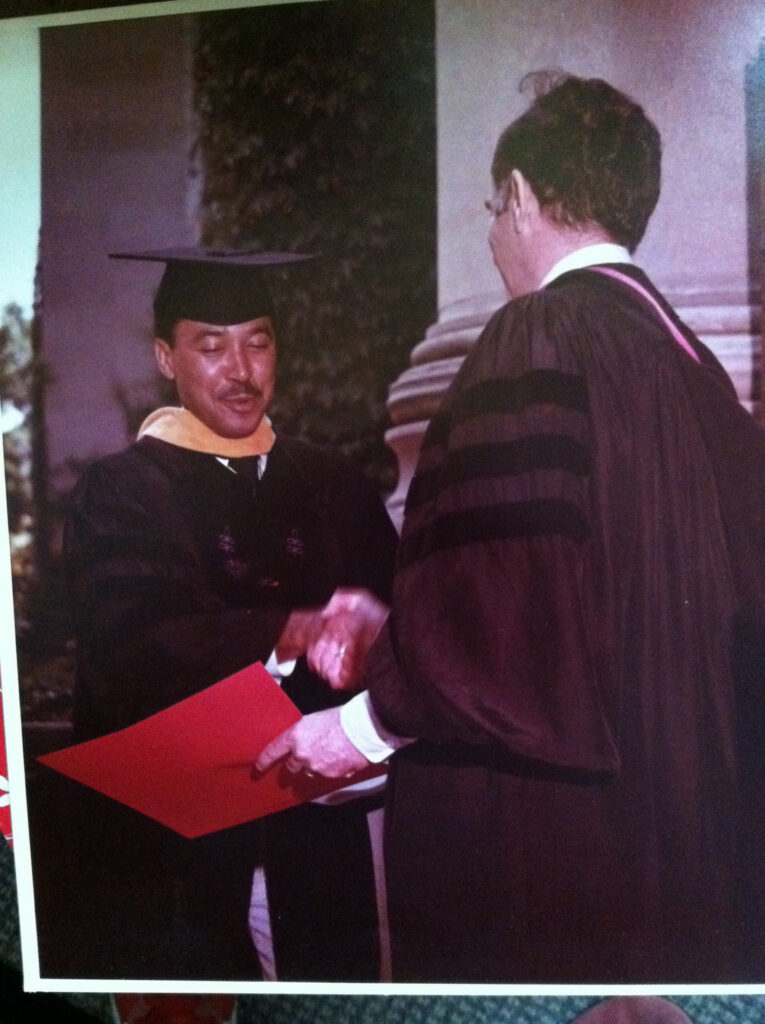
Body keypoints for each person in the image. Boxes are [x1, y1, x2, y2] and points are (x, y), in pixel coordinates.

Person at [257, 73, 765, 982]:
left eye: (496, 207)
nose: (494, 234)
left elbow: (506, 608)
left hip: (550, 851)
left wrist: (364, 729)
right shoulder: (701, 379)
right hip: (682, 842)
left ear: (524, 197)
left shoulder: (538, 335)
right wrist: (402, 631)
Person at [30, 249, 398, 981]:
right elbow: (133, 643)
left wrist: (372, 631)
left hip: (320, 852)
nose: (242, 370)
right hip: (178, 866)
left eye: (258, 342)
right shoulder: (123, 491)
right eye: (212, 345)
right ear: (166, 358)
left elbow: (395, 620)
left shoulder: (330, 484)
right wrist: (291, 631)